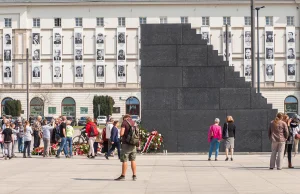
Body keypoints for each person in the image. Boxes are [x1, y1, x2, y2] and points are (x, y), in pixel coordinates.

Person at [115, 114, 137, 181]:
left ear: (125, 118)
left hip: (126, 144)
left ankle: (123, 175)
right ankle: (134, 175)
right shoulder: (134, 122)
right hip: (133, 143)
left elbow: (121, 133)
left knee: (125, 160)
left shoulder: (124, 122)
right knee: (133, 160)